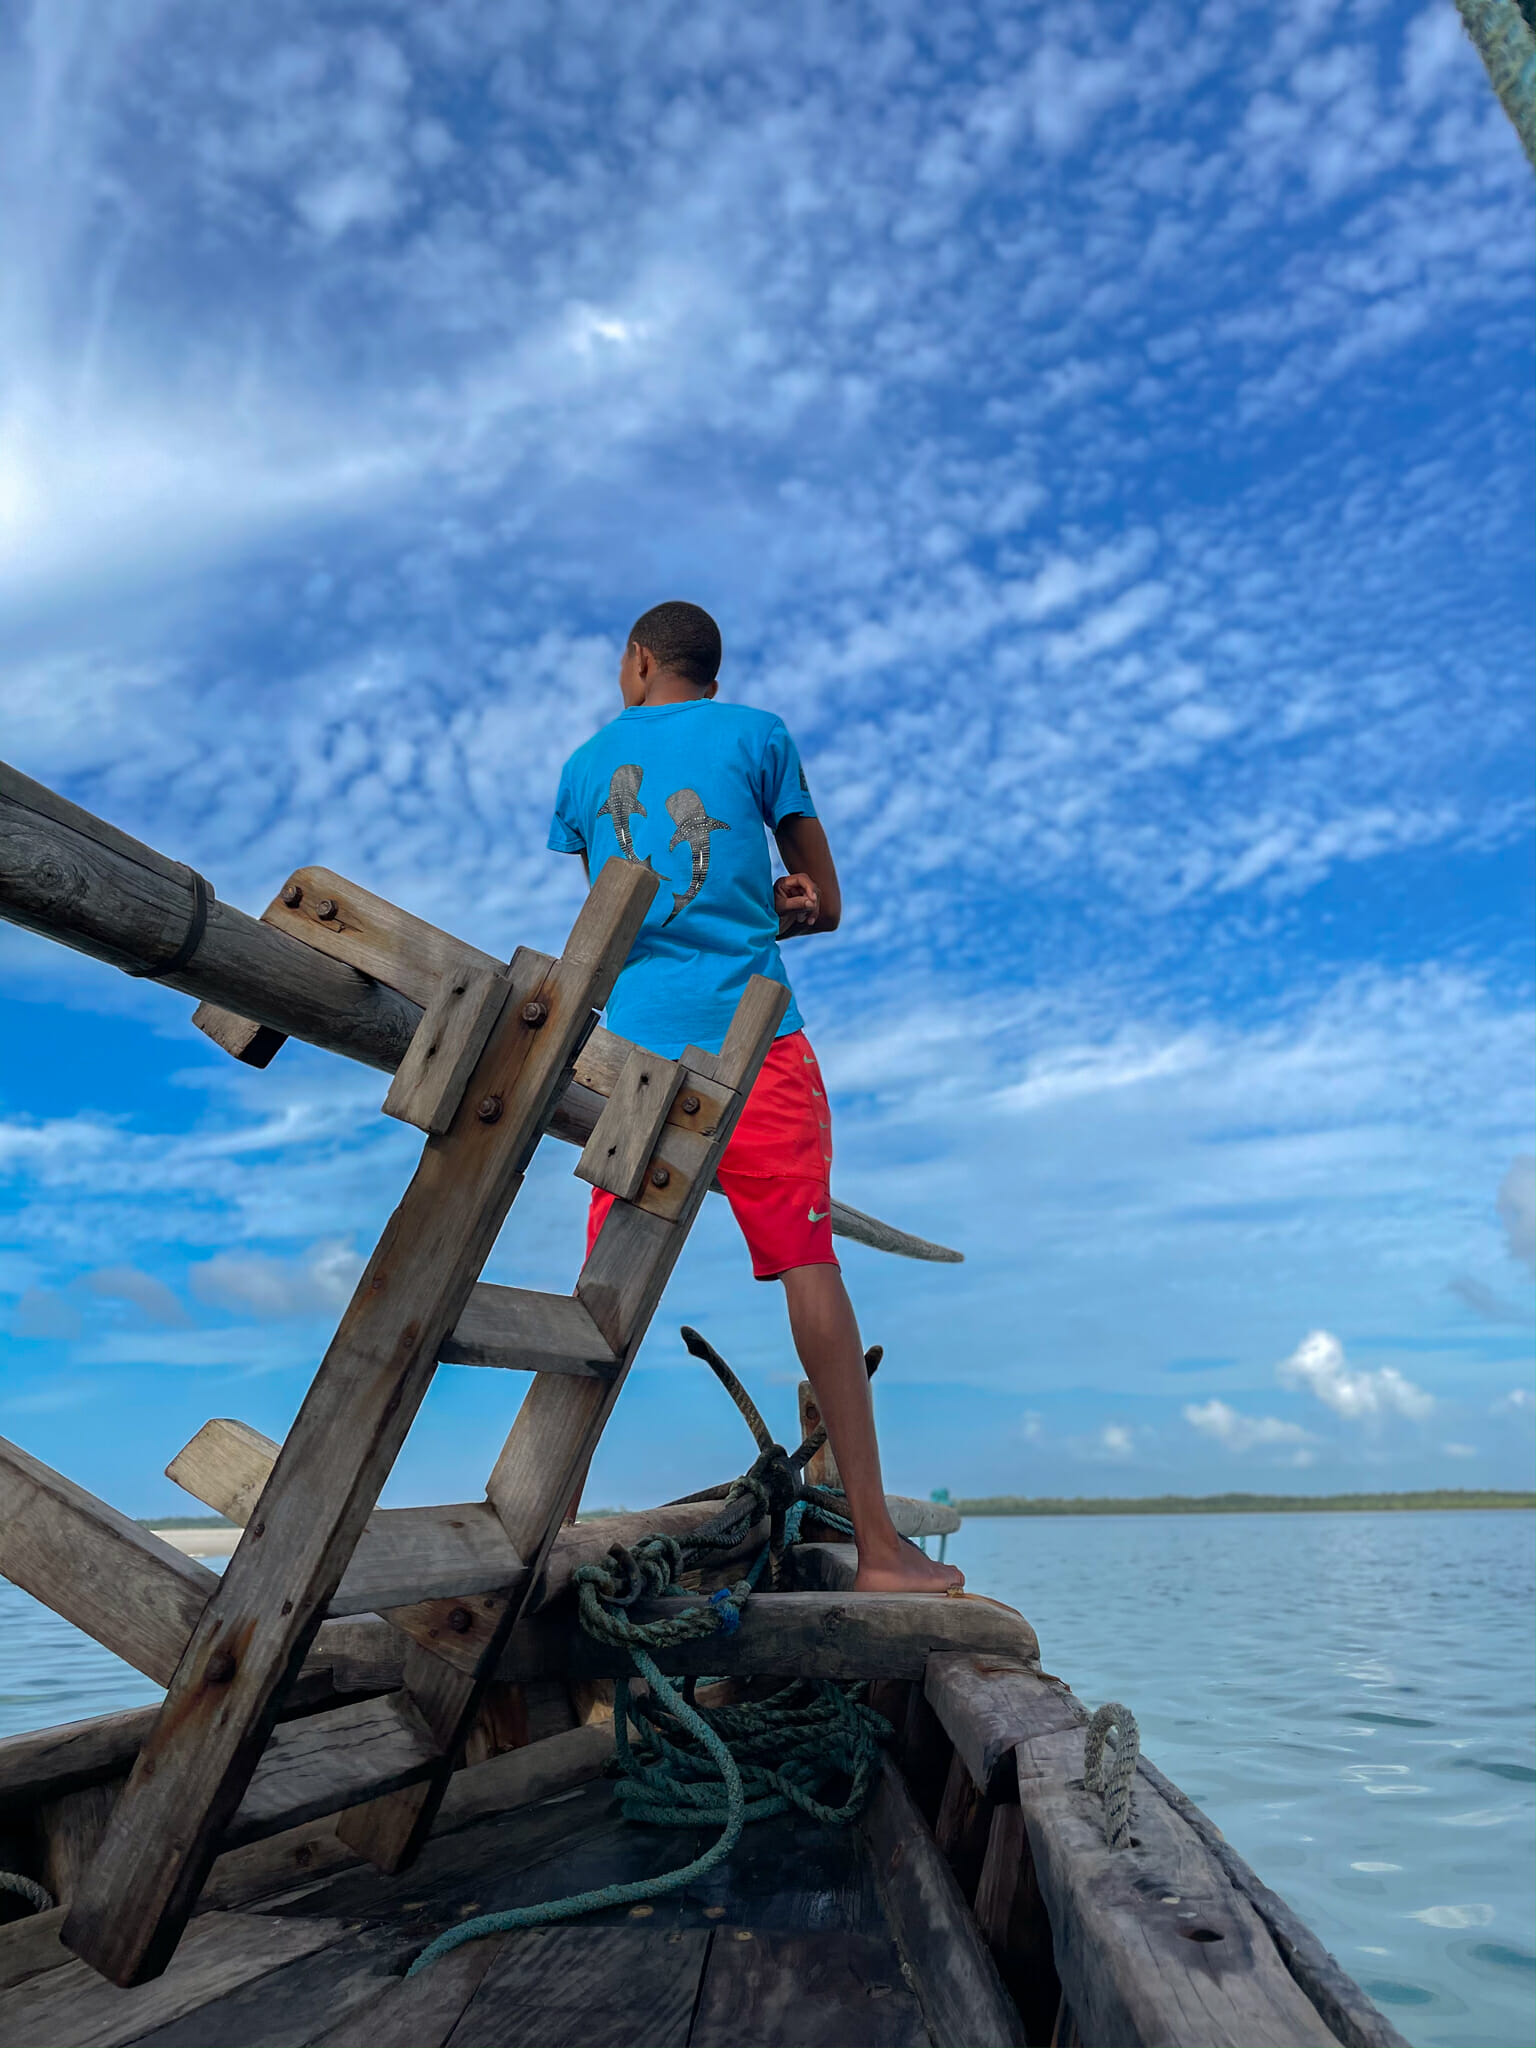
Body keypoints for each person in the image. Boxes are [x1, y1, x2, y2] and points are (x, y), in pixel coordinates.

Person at [549, 600, 963, 1594]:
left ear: (638, 662)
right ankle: (880, 1549)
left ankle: (546, 1519)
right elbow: (825, 902)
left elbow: (620, 915)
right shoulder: (760, 734)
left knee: (605, 1285)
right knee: (809, 1268)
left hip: (634, 1057)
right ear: (712, 675)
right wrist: (786, 906)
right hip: (755, 1041)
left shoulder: (585, 768)